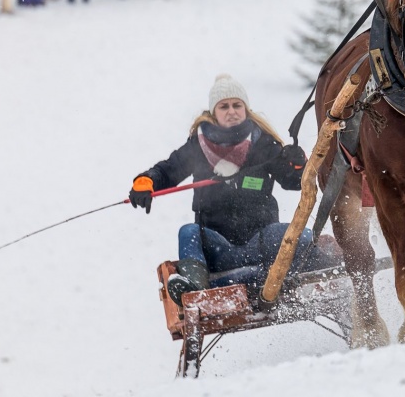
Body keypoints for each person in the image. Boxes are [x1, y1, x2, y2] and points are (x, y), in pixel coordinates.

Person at [128, 74, 311, 304]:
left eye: (237, 105)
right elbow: (168, 170)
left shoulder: (263, 143)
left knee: (301, 234)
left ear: (246, 109)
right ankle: (197, 290)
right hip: (218, 251)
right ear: (214, 112)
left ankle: (275, 275)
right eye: (224, 106)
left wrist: (298, 164)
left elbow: (295, 181)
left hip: (261, 244)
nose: (232, 111)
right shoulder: (197, 146)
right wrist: (146, 181)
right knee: (188, 232)